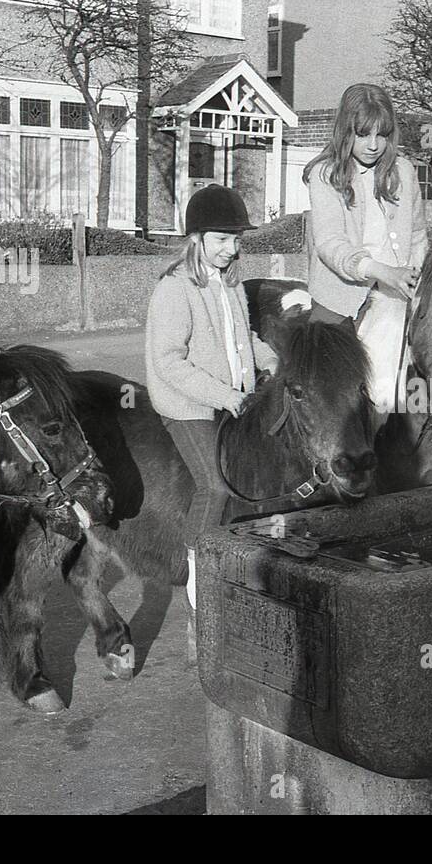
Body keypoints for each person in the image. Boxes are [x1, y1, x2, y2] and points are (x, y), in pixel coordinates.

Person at [145, 184, 278, 612]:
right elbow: (168, 361)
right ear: (196, 239)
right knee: (215, 486)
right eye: (222, 240)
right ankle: (197, 572)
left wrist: (272, 361)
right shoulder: (174, 288)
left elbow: (244, 337)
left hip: (231, 397)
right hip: (188, 404)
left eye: (236, 240)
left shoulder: (230, 284)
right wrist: (226, 395)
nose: (231, 249)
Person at [304, 83, 427, 414]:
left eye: (382, 135)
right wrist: (383, 272)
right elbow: (331, 244)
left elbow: (417, 234)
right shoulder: (325, 174)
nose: (373, 145)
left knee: (418, 389)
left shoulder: (403, 170)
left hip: (398, 293)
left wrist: (419, 274)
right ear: (346, 132)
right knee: (327, 397)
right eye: (363, 135)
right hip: (341, 299)